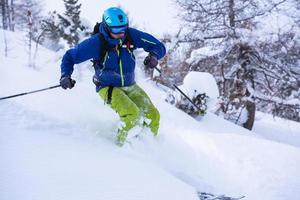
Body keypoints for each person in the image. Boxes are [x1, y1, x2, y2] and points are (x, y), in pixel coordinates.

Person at [59, 7, 166, 146]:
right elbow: (69, 57)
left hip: (130, 85)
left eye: (123, 29)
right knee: (132, 114)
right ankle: (120, 149)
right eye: (116, 30)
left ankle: (147, 147)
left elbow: (158, 45)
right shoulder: (96, 42)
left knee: (153, 115)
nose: (121, 34)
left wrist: (154, 56)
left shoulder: (130, 35)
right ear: (107, 27)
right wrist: (65, 75)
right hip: (107, 86)